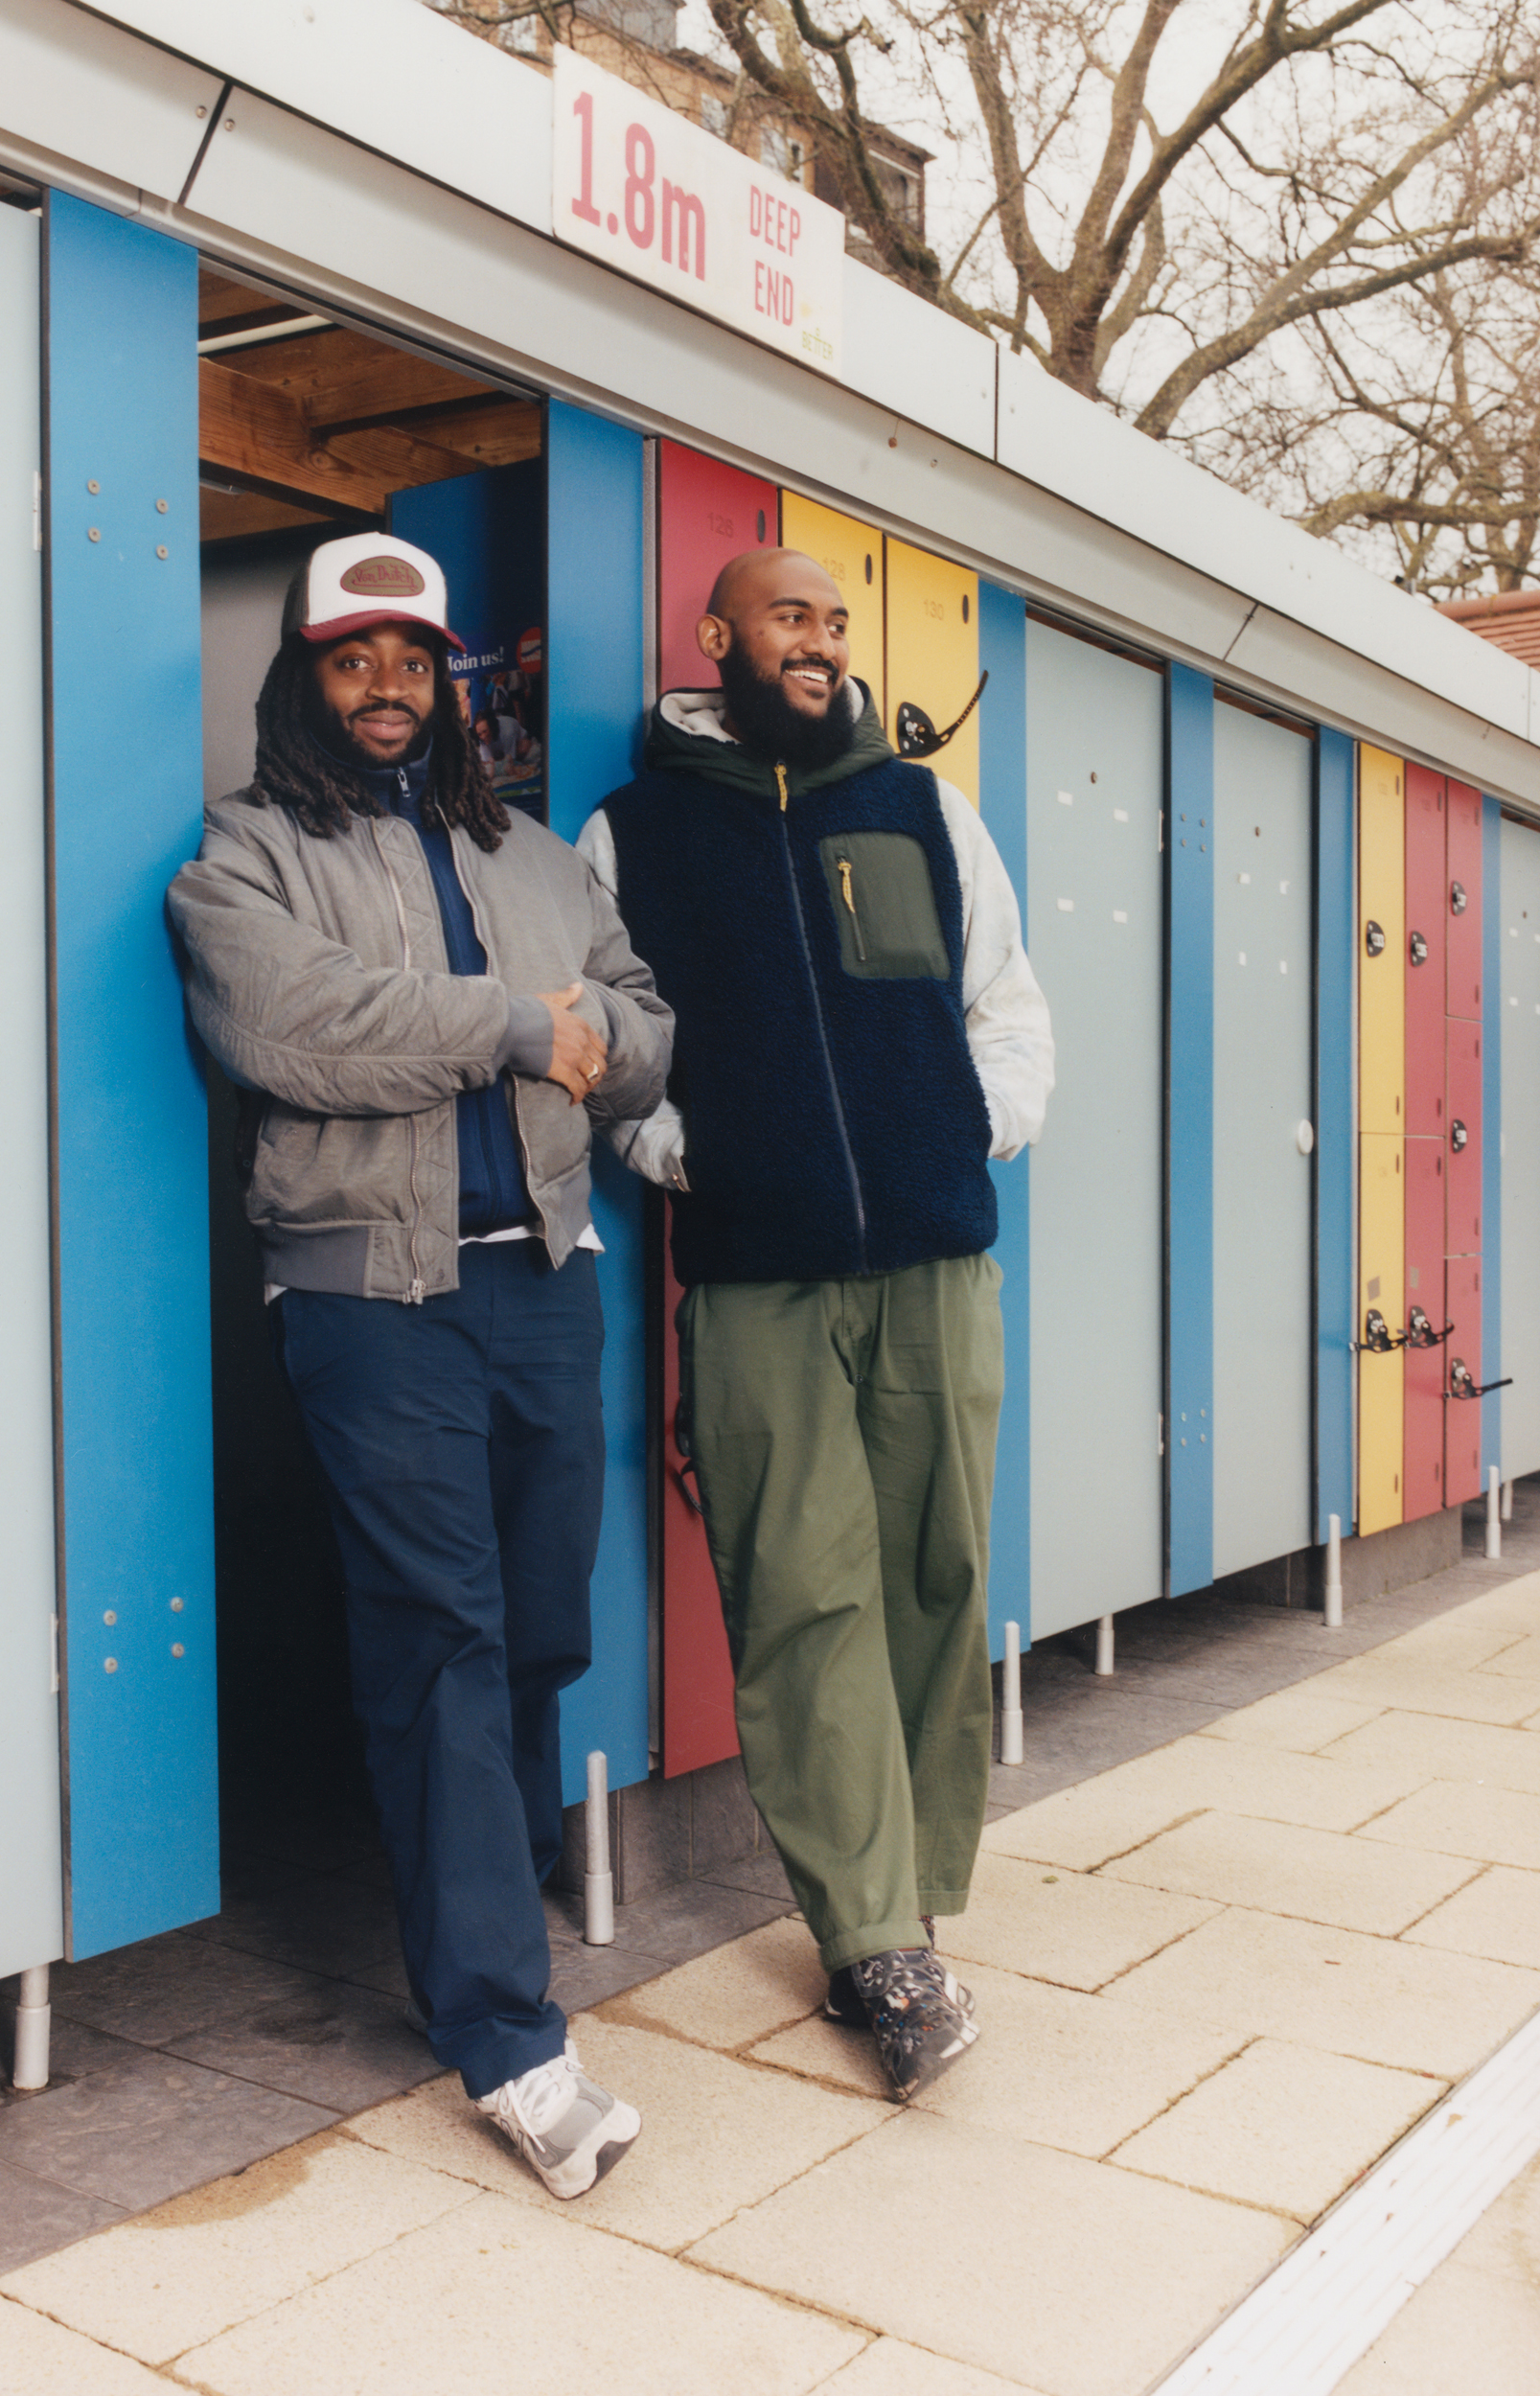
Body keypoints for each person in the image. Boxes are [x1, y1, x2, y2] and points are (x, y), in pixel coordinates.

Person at [168, 532, 673, 2197]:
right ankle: (505, 2032)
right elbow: (292, 1030)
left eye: (414, 661)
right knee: (441, 1638)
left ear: (450, 680)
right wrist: (525, 1025)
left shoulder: (530, 850)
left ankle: (479, 1887)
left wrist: (591, 1035)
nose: (388, 686)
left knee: (539, 1626)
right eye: (351, 659)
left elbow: (642, 1015)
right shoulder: (240, 855)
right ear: (301, 678)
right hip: (367, 1303)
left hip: (539, 1281)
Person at [577, 546, 1053, 2101]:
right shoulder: (630, 833)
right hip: (756, 1279)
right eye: (790, 616)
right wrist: (688, 1154)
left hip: (931, 1266)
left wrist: (955, 1137)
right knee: (800, 1593)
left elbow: (1008, 1007)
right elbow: (615, 1056)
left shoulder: (922, 807)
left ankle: (911, 1891)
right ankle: (869, 1937)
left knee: (933, 1569)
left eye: (835, 623)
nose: (820, 643)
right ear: (719, 638)